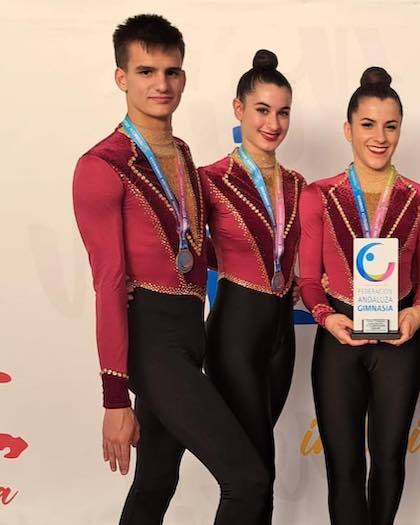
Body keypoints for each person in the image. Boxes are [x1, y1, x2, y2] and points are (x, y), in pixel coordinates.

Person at [73, 14, 269, 524]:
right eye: (146, 71)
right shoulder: (102, 166)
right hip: (151, 340)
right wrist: (115, 397)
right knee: (246, 480)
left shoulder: (181, 153)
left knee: (157, 479)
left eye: (172, 71)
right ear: (121, 77)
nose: (161, 84)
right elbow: (109, 284)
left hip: (190, 331)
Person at [298, 67, 420, 525]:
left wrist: (417, 314)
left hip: (398, 340)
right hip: (340, 338)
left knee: (389, 459)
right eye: (368, 124)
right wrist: (325, 315)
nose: (380, 137)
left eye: (391, 125)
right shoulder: (319, 195)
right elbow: (307, 280)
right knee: (343, 466)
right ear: (347, 129)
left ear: (401, 129)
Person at [200, 49, 305, 519]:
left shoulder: (300, 186)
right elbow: (176, 250)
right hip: (235, 336)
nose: (273, 123)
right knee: (252, 473)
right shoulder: (210, 181)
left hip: (282, 335)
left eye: (282, 112)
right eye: (262, 109)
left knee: (262, 467)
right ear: (238, 109)